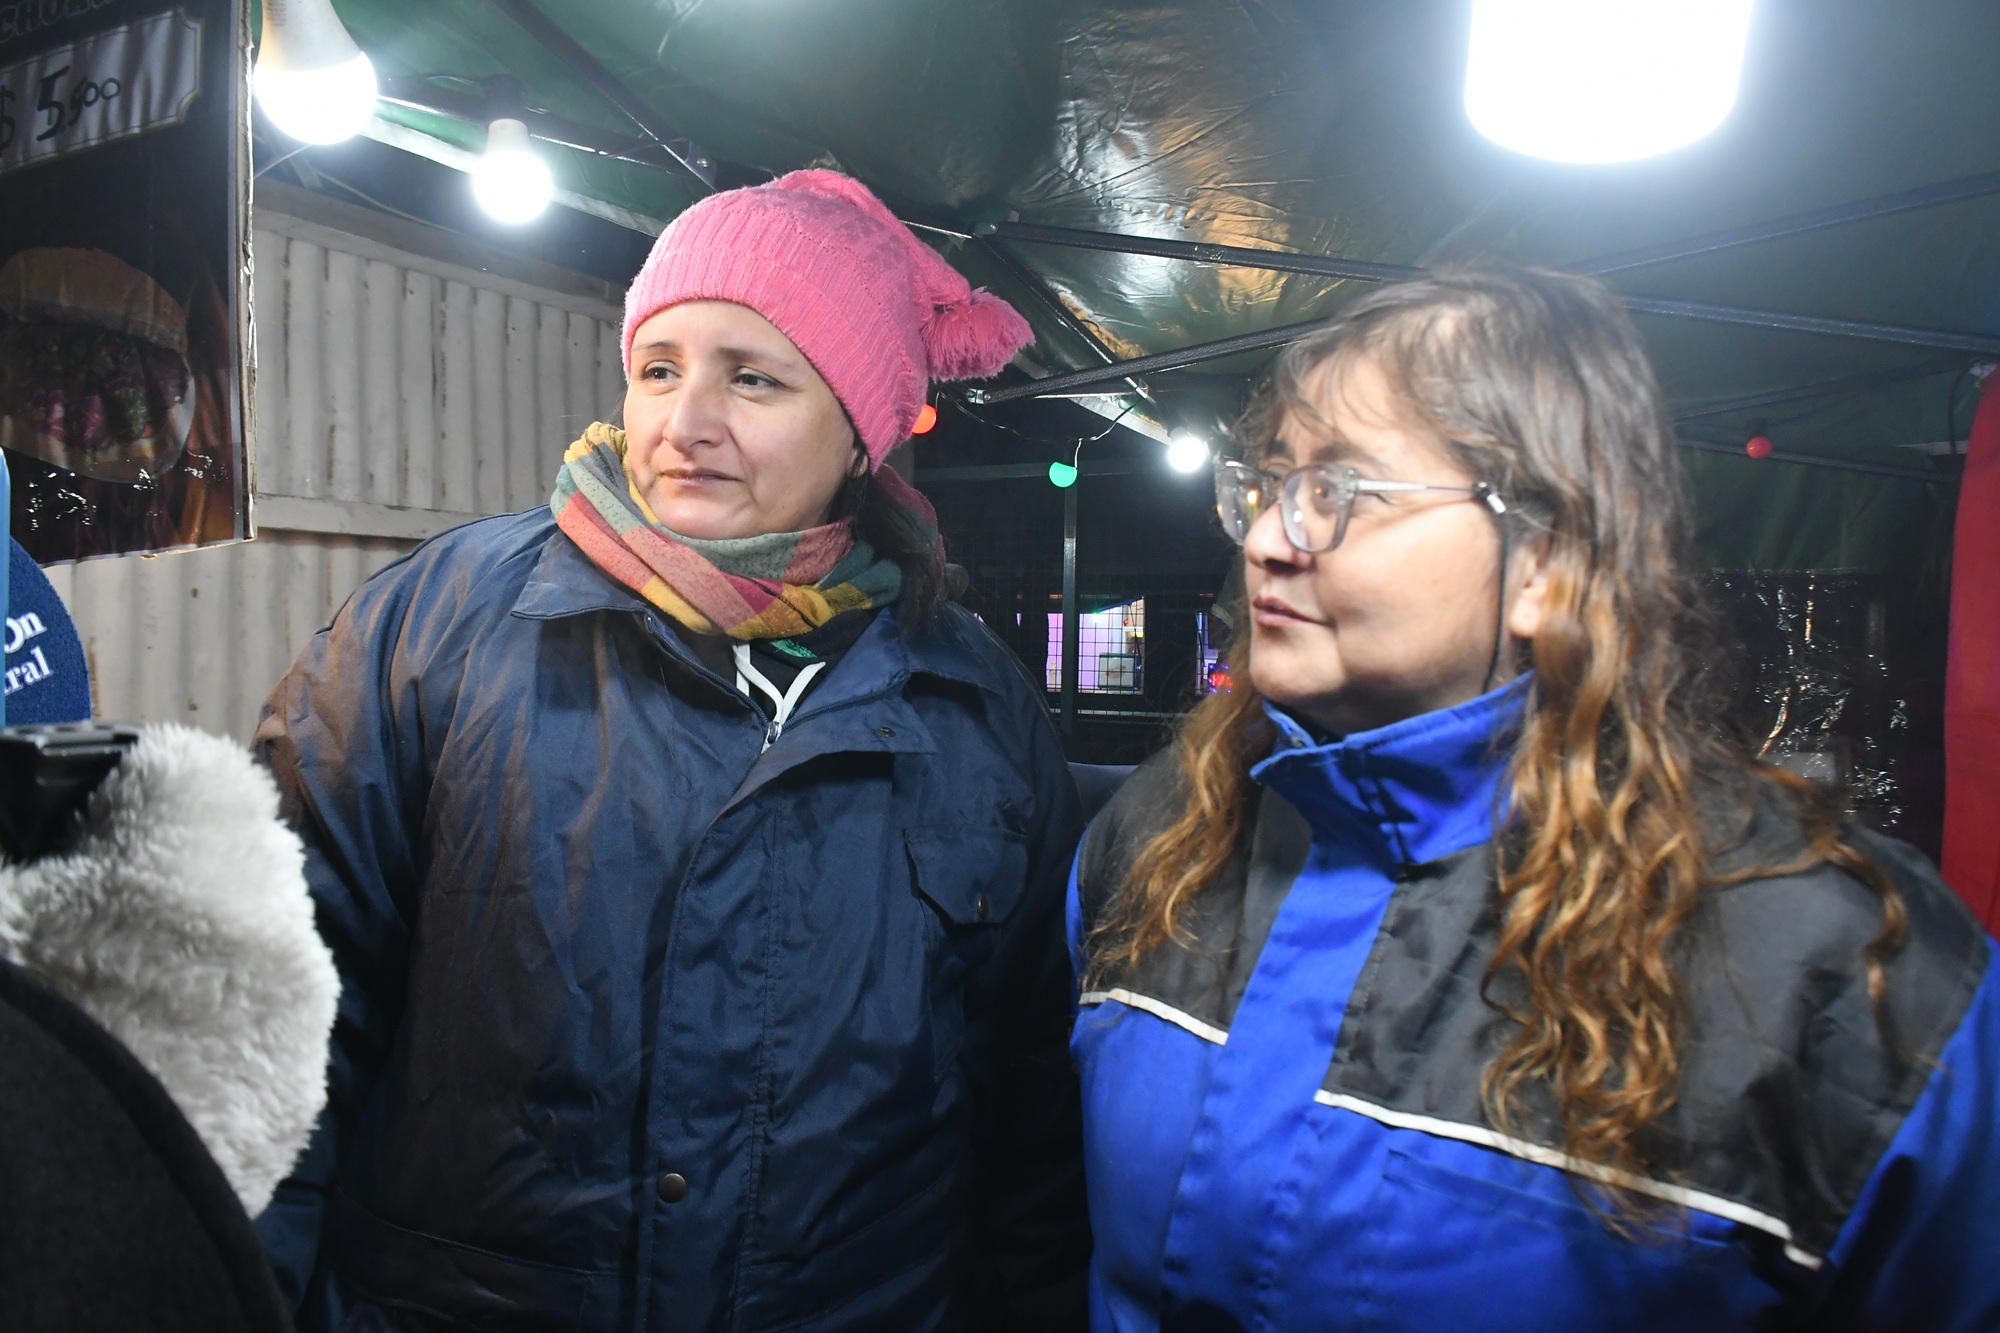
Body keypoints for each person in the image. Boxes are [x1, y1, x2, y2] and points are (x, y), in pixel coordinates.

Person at [1069, 268, 2000, 1332]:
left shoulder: (1844, 968)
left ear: (1544, 562)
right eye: (1269, 484)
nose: (1267, 541)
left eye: (1339, 491)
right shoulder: (1155, 837)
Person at [254, 170, 1090, 1331]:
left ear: (858, 434)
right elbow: (274, 1030)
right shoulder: (429, 632)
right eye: (659, 368)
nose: (683, 422)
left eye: (752, 378)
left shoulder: (974, 708)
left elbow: (1027, 1129)